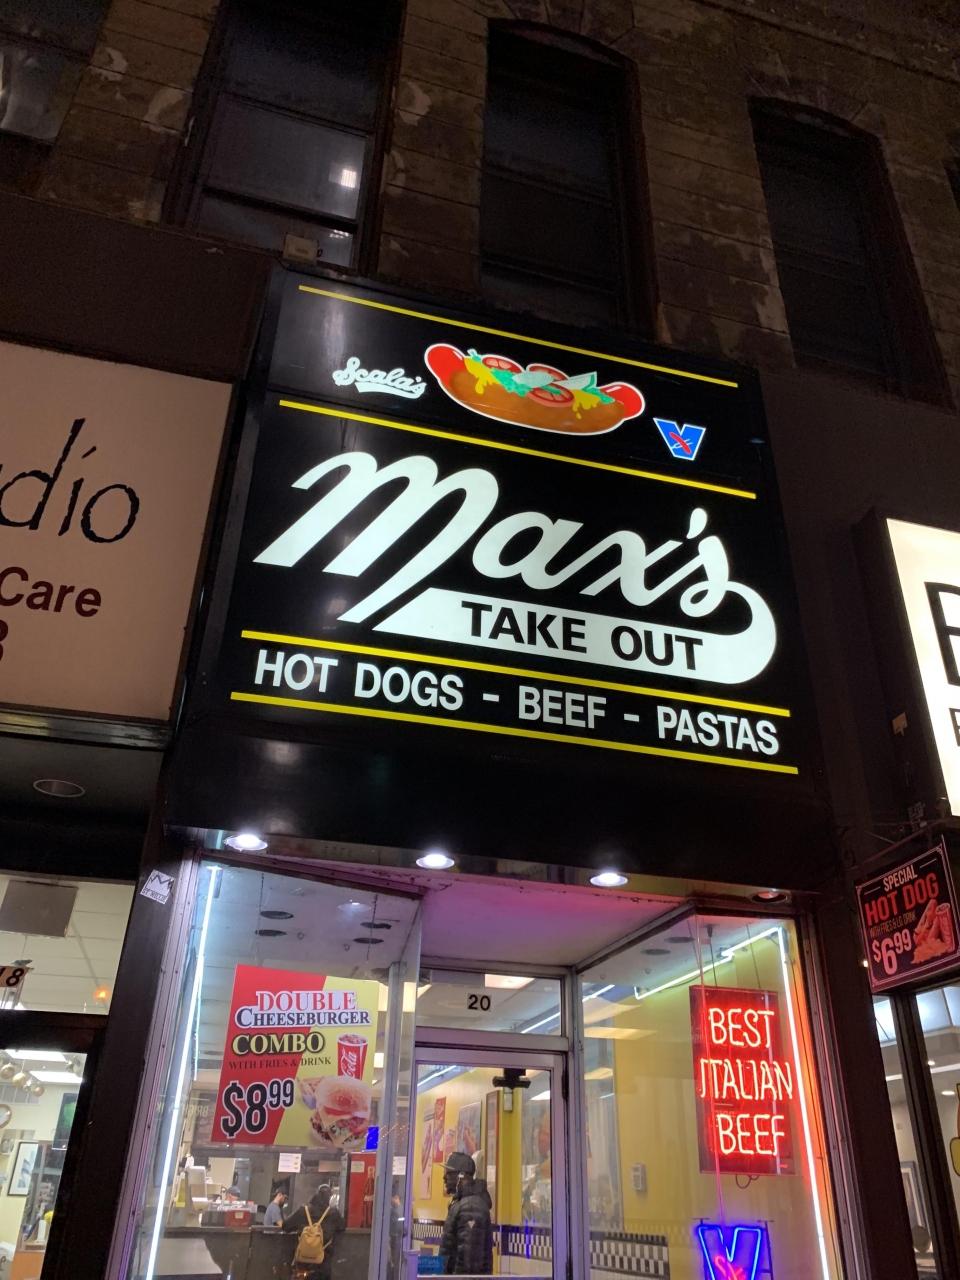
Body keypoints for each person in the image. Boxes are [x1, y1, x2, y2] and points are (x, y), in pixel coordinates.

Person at [439, 1152, 493, 1276]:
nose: (444, 1178)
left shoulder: (471, 1207)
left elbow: (469, 1265)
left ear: (461, 1176)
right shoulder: (464, 1203)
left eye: (449, 1173)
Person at [283, 1185, 344, 1279]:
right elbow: (342, 1227)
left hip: (303, 1262)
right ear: (329, 1198)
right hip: (323, 1262)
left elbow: (285, 1226)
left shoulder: (303, 1211)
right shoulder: (333, 1213)